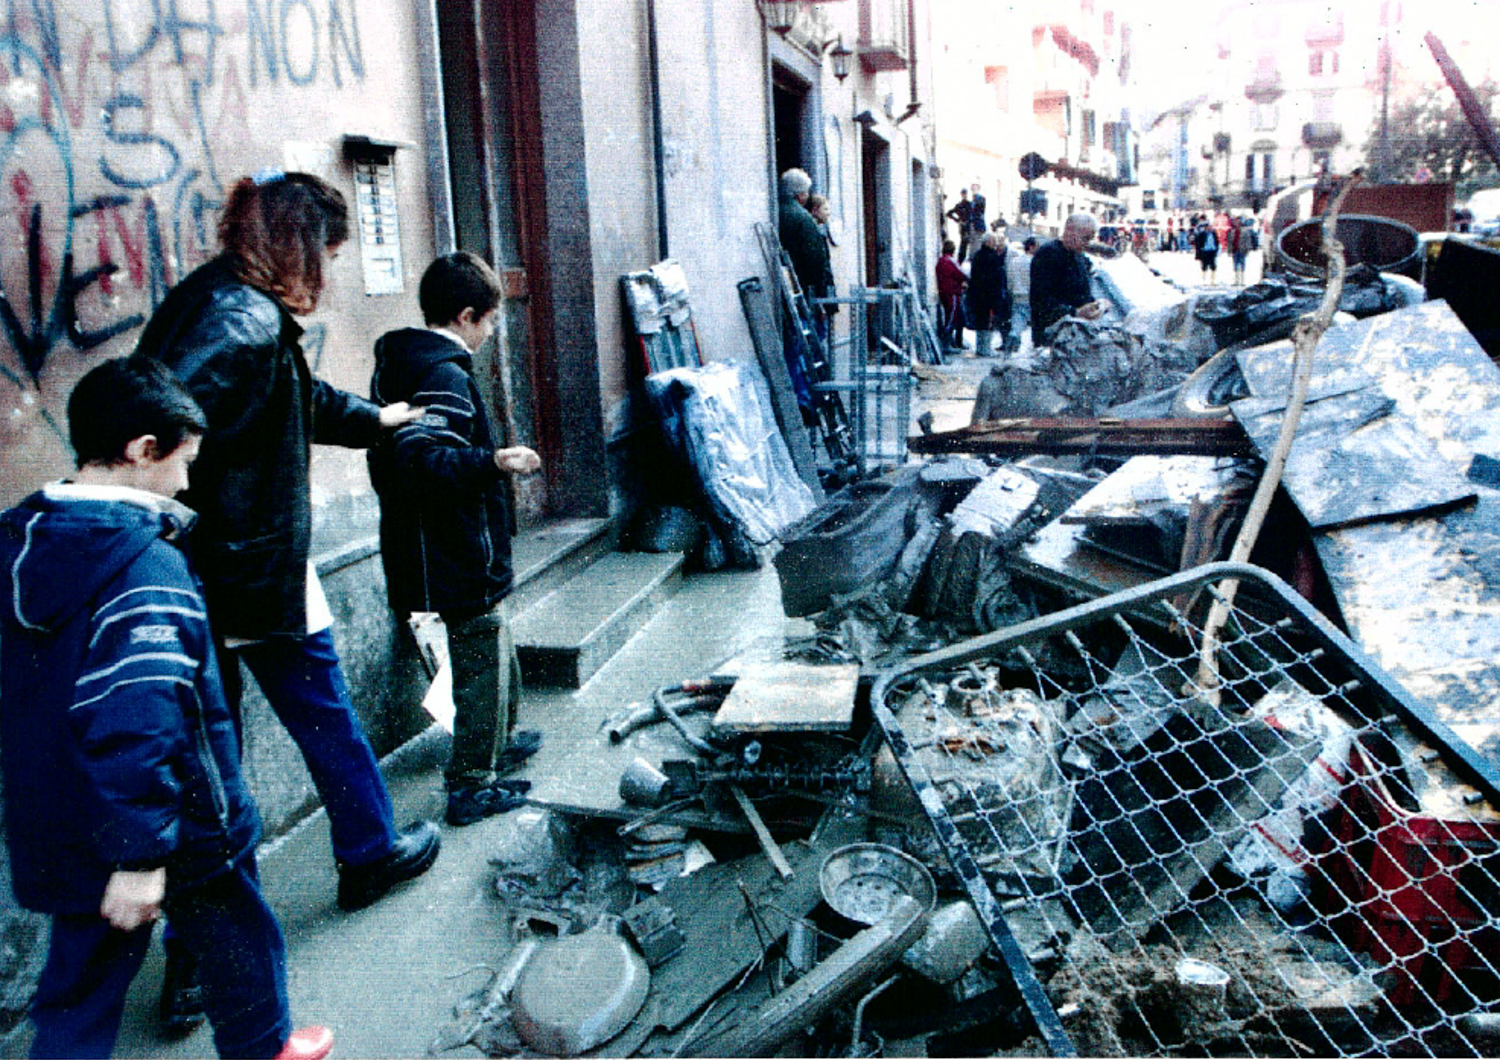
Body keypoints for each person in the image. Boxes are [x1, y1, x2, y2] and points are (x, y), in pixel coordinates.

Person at [0, 356, 333, 1060]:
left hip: (61, 817)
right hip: (180, 821)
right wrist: (141, 856)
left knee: (77, 990)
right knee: (237, 939)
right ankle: (266, 1049)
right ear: (140, 450)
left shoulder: (21, 542)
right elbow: (137, 718)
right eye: (181, 462)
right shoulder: (145, 569)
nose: (187, 482)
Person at [138, 172, 442, 937]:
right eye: (328, 254)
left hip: (206, 562)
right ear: (303, 246)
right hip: (248, 564)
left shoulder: (220, 298)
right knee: (320, 711)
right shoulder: (245, 319)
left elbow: (289, 403)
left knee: (211, 751)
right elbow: (165, 417)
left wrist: (377, 417)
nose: (329, 272)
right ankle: (369, 853)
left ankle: (195, 957)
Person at [368, 252, 544, 827]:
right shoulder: (443, 372)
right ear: (467, 316)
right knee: (481, 649)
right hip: (455, 547)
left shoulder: (404, 361)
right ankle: (472, 780)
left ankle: (495, 741)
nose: (491, 334)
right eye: (490, 322)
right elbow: (423, 460)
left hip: (434, 544)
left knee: (490, 646)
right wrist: (495, 461)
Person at [1030, 213, 1104, 346]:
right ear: (1069, 231)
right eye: (1085, 238)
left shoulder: (1078, 257)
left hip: (1075, 334)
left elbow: (1080, 293)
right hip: (1052, 335)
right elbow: (1039, 299)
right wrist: (1075, 312)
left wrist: (1095, 304)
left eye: (1090, 239)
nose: (1087, 243)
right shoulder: (1048, 254)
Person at [778, 168, 835, 337]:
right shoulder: (803, 218)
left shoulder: (775, 209)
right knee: (806, 339)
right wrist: (820, 298)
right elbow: (816, 262)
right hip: (803, 289)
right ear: (801, 194)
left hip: (785, 287)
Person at [966, 230, 1010, 359]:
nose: (995, 243)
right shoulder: (992, 257)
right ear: (987, 242)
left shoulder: (977, 256)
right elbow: (996, 278)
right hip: (989, 295)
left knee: (980, 322)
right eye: (993, 241)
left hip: (978, 294)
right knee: (987, 322)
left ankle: (980, 348)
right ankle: (986, 349)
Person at [1006, 236, 1037, 352]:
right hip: (1032, 295)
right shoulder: (1035, 261)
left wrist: (1011, 290)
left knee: (1017, 319)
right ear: (1031, 247)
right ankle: (1035, 344)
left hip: (1017, 294)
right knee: (1035, 321)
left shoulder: (1014, 261)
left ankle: (1014, 335)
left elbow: (1009, 278)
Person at [935, 239, 968, 350]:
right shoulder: (950, 261)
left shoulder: (940, 261)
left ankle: (949, 342)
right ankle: (947, 344)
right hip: (952, 293)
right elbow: (962, 274)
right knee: (951, 318)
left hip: (943, 292)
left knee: (949, 316)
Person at [945, 188, 974, 262]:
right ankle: (960, 260)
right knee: (963, 244)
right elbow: (949, 213)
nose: (964, 195)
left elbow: (973, 215)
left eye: (965, 194)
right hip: (964, 227)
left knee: (970, 243)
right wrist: (958, 220)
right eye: (963, 194)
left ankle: (969, 258)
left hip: (969, 227)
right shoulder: (959, 205)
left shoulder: (970, 205)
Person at [1194, 218, 1220, 283]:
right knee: (1204, 266)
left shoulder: (1213, 233)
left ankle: (1212, 280)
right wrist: (1200, 251)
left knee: (1213, 266)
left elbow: (1217, 242)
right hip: (1205, 251)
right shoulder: (1202, 234)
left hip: (1212, 251)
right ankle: (1204, 280)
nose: (1209, 228)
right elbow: (1198, 243)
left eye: (1210, 226)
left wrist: (1216, 249)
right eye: (1208, 226)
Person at [1227, 216, 1249, 287]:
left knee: (1242, 265)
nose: (1236, 224)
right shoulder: (1232, 232)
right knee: (1235, 265)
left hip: (1242, 250)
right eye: (1235, 223)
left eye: (1238, 223)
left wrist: (1247, 249)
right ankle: (1236, 281)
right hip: (1235, 250)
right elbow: (1230, 242)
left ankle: (1242, 281)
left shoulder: (1245, 232)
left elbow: (1247, 241)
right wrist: (1229, 250)